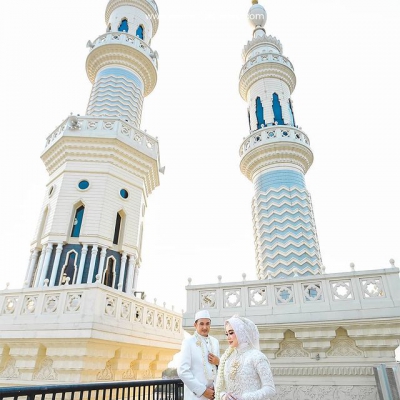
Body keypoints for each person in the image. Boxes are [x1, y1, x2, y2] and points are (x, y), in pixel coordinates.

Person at [215, 315, 276, 400]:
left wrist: (244, 397)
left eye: (231, 333)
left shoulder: (257, 356)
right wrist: (224, 396)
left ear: (241, 332)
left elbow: (270, 389)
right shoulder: (226, 358)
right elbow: (220, 388)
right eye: (226, 334)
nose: (228, 337)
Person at [178, 310, 220, 400]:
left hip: (214, 395)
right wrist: (203, 391)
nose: (205, 327)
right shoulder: (188, 342)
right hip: (195, 396)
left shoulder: (215, 342)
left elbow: (218, 371)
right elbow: (182, 371)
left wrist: (218, 362)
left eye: (207, 324)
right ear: (195, 325)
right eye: (201, 324)